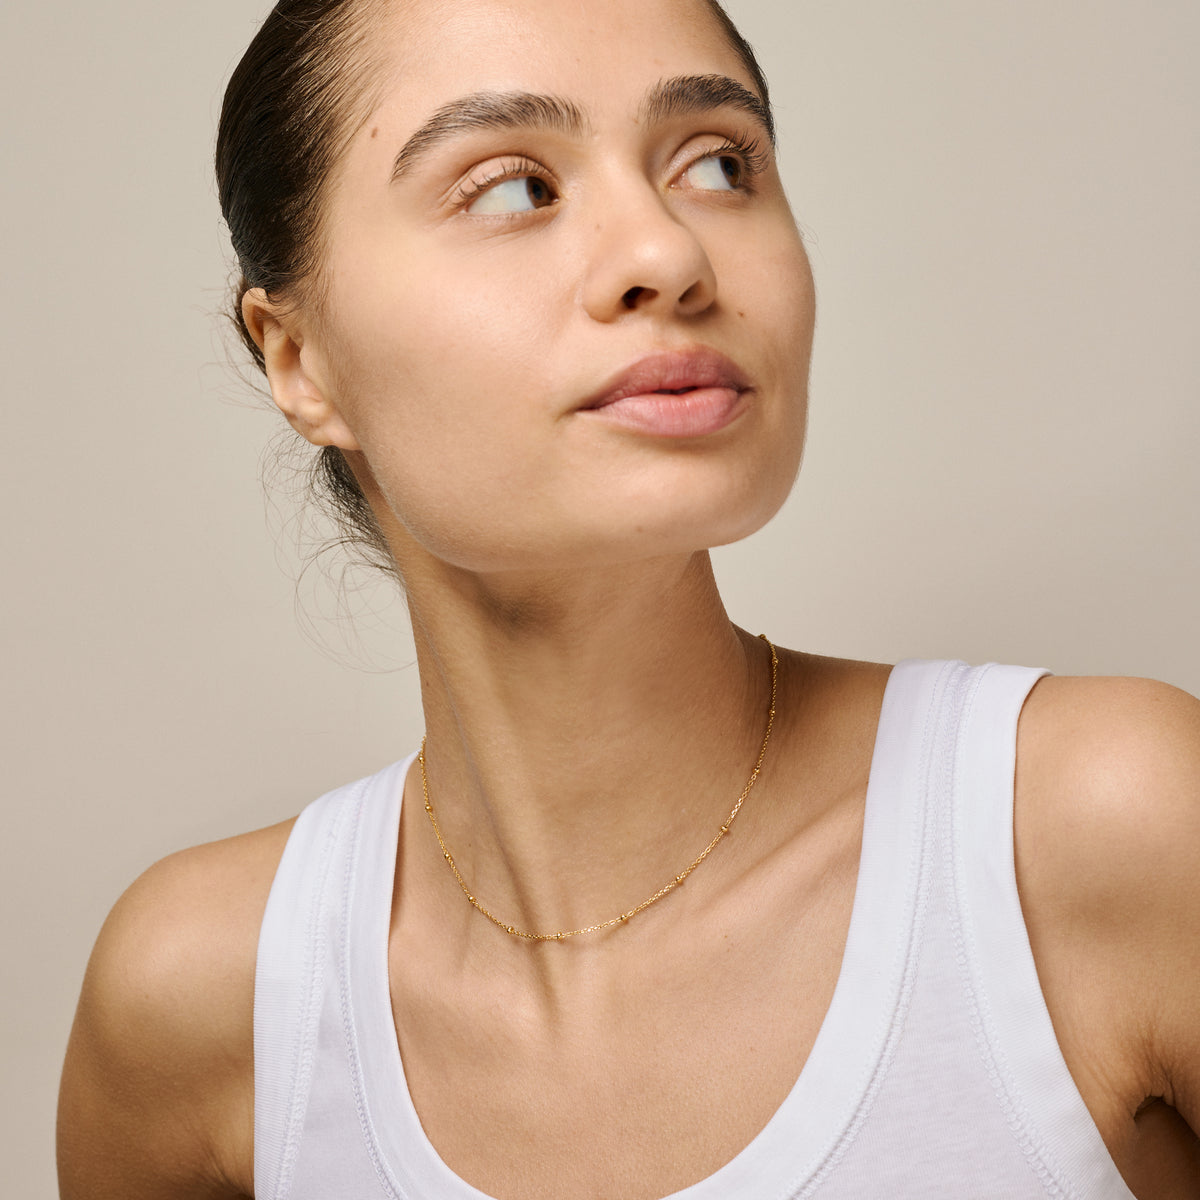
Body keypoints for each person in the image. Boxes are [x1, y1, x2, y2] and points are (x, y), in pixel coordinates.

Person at [56, 0, 1199, 1196]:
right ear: (301, 360)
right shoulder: (205, 1007)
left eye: (717, 163)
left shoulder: (1103, 836)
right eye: (512, 189)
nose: (668, 254)